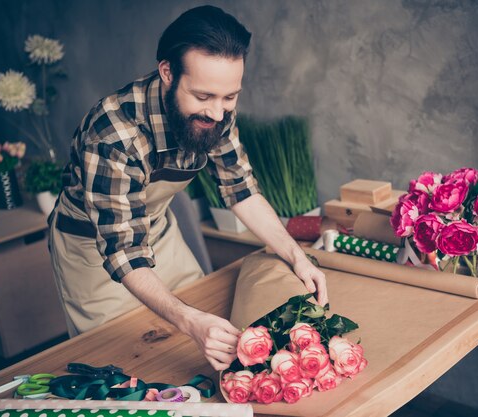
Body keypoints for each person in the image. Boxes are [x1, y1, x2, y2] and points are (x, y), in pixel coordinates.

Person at [48, 5, 327, 371]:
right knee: (131, 366)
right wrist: (188, 320)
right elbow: (124, 251)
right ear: (167, 72)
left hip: (157, 232)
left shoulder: (218, 108)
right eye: (203, 97)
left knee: (204, 343)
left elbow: (240, 189)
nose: (217, 113)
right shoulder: (114, 134)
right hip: (93, 251)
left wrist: (295, 256)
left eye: (230, 97)